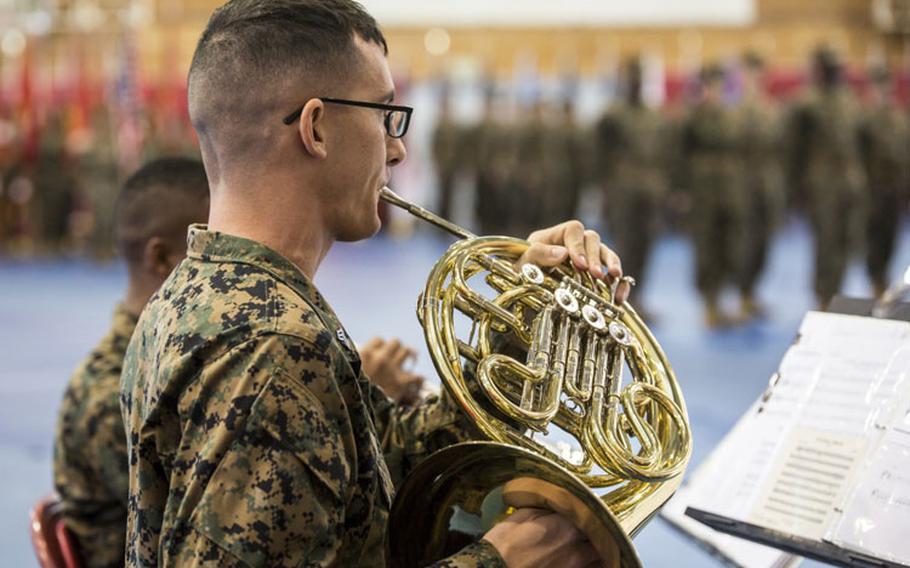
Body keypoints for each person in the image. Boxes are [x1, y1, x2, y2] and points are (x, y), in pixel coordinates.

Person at [120, 1, 628, 566]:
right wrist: (498, 562)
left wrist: (532, 320)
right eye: (385, 114)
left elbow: (390, 459)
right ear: (316, 128)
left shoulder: (204, 291)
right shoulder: (272, 345)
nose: (398, 147)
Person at [53, 157, 210, 568]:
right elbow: (213, 516)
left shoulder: (173, 361)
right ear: (161, 259)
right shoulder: (111, 393)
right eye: (211, 249)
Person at [787, 46, 865, 309]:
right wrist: (795, 190)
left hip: (850, 182)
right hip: (822, 185)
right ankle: (823, 296)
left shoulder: (849, 100)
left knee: (847, 241)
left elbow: (860, 143)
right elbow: (794, 150)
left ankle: (838, 293)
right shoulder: (807, 104)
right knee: (827, 244)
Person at [596, 57, 670, 315]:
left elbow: (664, 154)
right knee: (624, 245)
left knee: (646, 244)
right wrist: (604, 191)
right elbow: (598, 155)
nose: (636, 82)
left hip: (650, 189)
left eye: (639, 76)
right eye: (631, 76)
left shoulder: (653, 116)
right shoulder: (612, 116)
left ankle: (637, 297)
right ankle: (618, 299)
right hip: (622, 190)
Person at [680, 64, 745, 327]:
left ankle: (720, 301)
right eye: (710, 84)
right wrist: (682, 191)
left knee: (727, 246)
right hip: (703, 193)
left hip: (728, 192)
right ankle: (708, 305)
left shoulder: (731, 117)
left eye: (718, 84)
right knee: (706, 248)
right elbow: (680, 157)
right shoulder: (693, 118)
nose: (714, 90)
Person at [734, 52, 785, 319]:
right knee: (744, 242)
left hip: (768, 184)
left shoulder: (771, 109)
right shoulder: (736, 111)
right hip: (744, 185)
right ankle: (741, 294)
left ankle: (752, 292)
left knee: (764, 241)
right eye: (748, 73)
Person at [858, 66, 909, 298]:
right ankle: (875, 279)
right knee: (873, 236)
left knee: (891, 236)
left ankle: (883, 276)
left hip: (895, 187)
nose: (882, 90)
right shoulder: (864, 118)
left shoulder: (900, 118)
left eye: (885, 84)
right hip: (871, 187)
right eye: (877, 85)